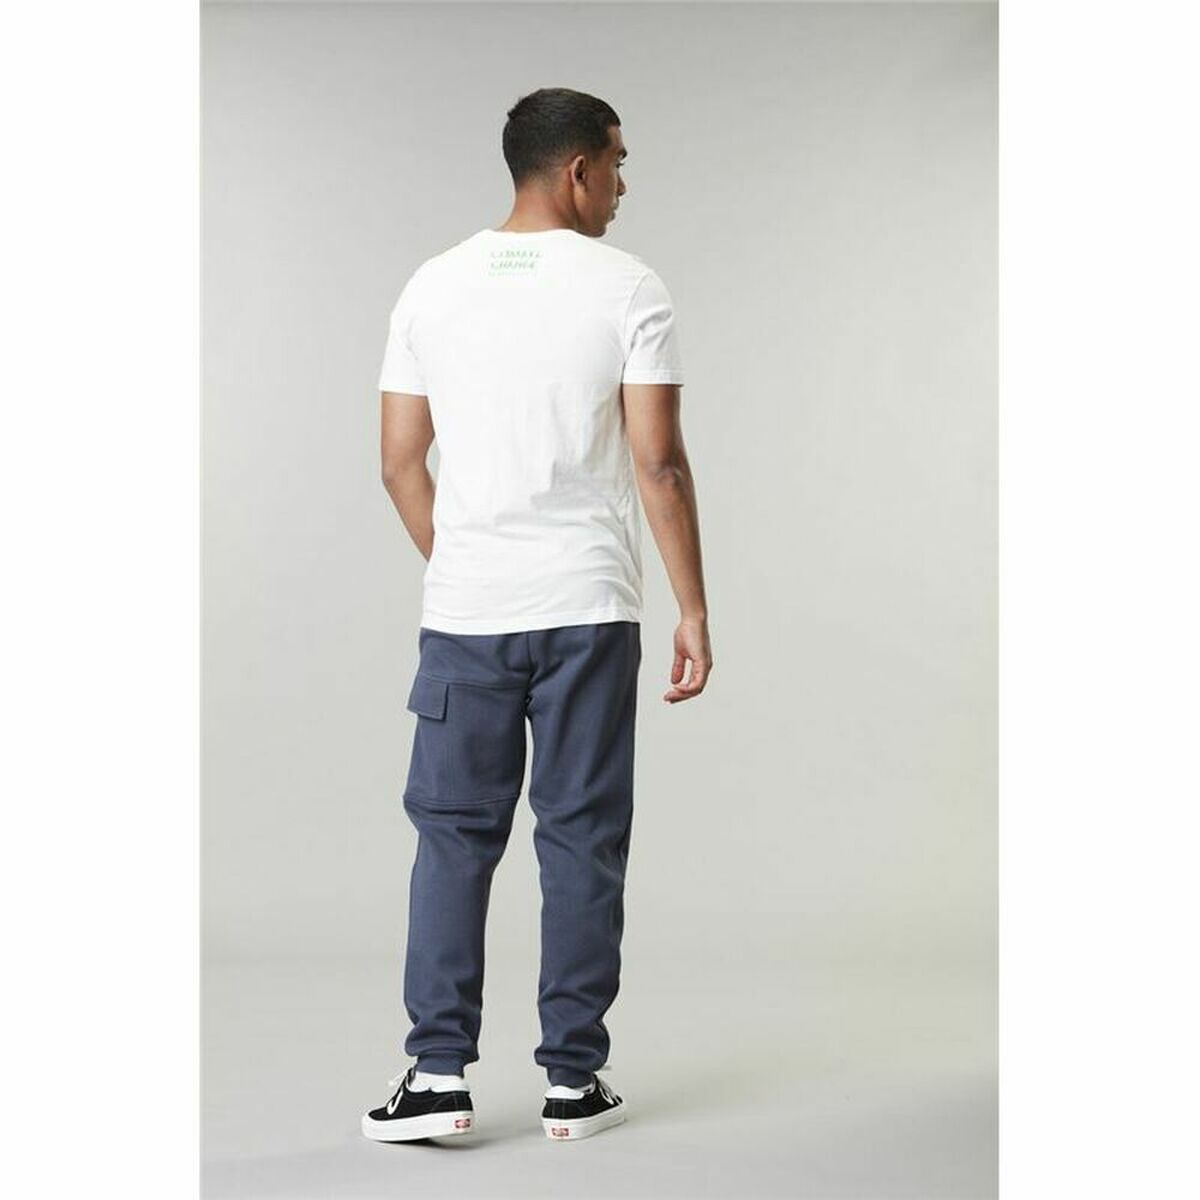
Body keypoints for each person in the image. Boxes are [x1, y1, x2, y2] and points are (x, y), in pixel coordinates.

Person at [361, 86, 711, 1145]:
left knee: (452, 840)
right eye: (619, 162)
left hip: (467, 614)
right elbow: (658, 462)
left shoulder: (430, 285)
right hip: (590, 612)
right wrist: (693, 607)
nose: (624, 184)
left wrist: (471, 562)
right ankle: (572, 1081)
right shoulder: (628, 286)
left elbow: (399, 462)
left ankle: (436, 1077)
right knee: (583, 840)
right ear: (578, 171)